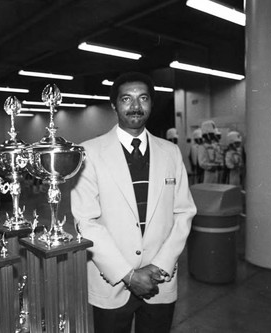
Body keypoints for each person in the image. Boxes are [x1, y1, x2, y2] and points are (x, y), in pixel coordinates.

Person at [70, 72, 196, 333]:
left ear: (151, 104)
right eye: (126, 99)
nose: (136, 106)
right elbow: (86, 221)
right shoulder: (89, 153)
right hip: (111, 281)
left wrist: (159, 266)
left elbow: (184, 213)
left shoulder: (170, 152)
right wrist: (128, 275)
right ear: (115, 105)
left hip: (159, 280)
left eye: (143, 98)